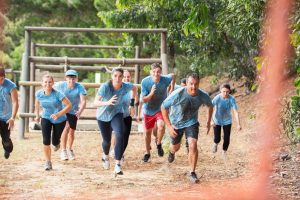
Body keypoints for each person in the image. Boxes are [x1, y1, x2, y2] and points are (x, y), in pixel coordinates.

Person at [161, 73, 213, 183]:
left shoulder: (202, 95)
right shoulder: (178, 94)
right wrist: (169, 126)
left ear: (198, 84)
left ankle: (192, 172)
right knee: (175, 147)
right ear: (187, 84)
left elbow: (210, 105)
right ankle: (171, 152)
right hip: (176, 123)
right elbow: (163, 107)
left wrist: (208, 122)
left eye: (196, 84)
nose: (193, 87)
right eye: (191, 84)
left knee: (193, 144)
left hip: (191, 122)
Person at [94, 67, 137, 175]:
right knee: (107, 141)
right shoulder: (105, 87)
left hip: (117, 113)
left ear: (122, 77)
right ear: (112, 76)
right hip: (103, 115)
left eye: (120, 76)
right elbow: (95, 102)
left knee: (120, 134)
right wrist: (107, 102)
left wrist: (132, 104)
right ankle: (105, 156)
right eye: (115, 76)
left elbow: (134, 88)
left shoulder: (126, 86)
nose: (117, 78)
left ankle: (118, 164)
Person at [34, 74, 72, 170]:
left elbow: (69, 105)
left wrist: (58, 114)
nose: (47, 84)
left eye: (50, 82)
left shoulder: (58, 94)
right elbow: (37, 104)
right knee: (46, 140)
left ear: (53, 83)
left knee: (54, 141)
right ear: (42, 83)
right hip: (46, 117)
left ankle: (57, 143)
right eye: (45, 82)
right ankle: (48, 162)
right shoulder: (39, 93)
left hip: (59, 119)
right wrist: (37, 115)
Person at [141, 63, 175, 162]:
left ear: (160, 72)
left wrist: (171, 88)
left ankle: (159, 144)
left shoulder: (165, 79)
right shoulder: (145, 82)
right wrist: (151, 93)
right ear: (151, 72)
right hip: (148, 110)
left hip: (161, 108)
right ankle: (147, 152)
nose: (156, 74)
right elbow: (144, 100)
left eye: (158, 72)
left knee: (161, 125)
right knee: (147, 133)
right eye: (154, 72)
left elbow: (173, 75)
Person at [54, 70, 87, 161]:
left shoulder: (80, 87)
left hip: (73, 111)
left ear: (76, 79)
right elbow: (50, 90)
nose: (71, 81)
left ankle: (70, 149)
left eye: (73, 78)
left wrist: (80, 111)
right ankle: (63, 150)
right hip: (63, 110)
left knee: (72, 131)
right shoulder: (60, 85)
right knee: (66, 127)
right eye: (69, 79)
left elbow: (83, 101)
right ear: (66, 78)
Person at [211, 83, 241, 156]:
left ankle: (224, 151)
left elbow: (235, 112)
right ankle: (215, 144)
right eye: (223, 91)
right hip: (217, 120)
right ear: (220, 91)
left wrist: (238, 124)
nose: (225, 93)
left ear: (229, 91)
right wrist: (211, 121)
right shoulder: (217, 98)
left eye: (227, 91)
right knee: (217, 138)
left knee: (227, 138)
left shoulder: (231, 99)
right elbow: (210, 108)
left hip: (227, 120)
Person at [0, 68, 18, 159]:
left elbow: (15, 102)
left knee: (7, 144)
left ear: (4, 77)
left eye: (2, 78)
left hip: (6, 118)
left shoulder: (11, 86)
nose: (0, 81)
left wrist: (12, 118)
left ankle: (7, 149)